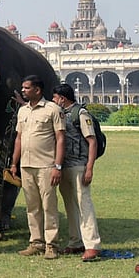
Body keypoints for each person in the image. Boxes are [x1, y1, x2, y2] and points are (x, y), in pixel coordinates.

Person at [11, 75, 65, 260]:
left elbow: (60, 139)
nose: (23, 91)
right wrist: (14, 163)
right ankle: (36, 242)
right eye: (23, 88)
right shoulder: (23, 111)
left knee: (49, 206)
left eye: (26, 88)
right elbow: (18, 138)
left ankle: (52, 244)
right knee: (32, 206)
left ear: (37, 90)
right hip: (26, 166)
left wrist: (57, 166)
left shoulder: (52, 109)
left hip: (46, 166)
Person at [52, 84, 102, 262]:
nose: (53, 101)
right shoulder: (61, 114)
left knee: (84, 205)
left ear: (62, 99)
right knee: (70, 205)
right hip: (64, 166)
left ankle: (92, 245)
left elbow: (92, 141)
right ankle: (75, 241)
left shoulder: (80, 114)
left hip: (79, 165)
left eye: (55, 98)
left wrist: (89, 168)